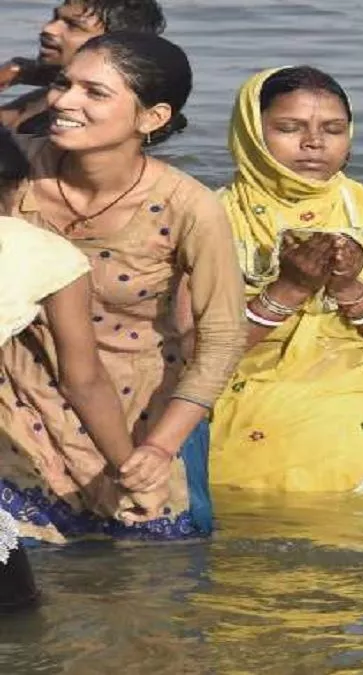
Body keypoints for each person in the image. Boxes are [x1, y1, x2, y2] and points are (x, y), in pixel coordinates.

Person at [0, 32, 245, 543]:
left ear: (151, 118)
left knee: (148, 568)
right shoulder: (13, 173)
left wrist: (159, 447)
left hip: (134, 411)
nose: (63, 101)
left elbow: (222, 338)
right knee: (25, 564)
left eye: (94, 92)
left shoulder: (190, 208)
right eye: (64, 84)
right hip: (16, 400)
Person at [207, 66, 363, 493]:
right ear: (251, 133)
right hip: (239, 458)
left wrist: (350, 292)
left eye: (333, 130)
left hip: (360, 459)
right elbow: (185, 354)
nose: (314, 143)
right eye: (289, 128)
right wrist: (288, 290)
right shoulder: (205, 219)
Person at [0, 0, 166, 135]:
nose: (48, 29)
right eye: (55, 18)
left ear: (115, 43)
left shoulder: (95, 115)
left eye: (73, 25)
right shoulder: (46, 97)